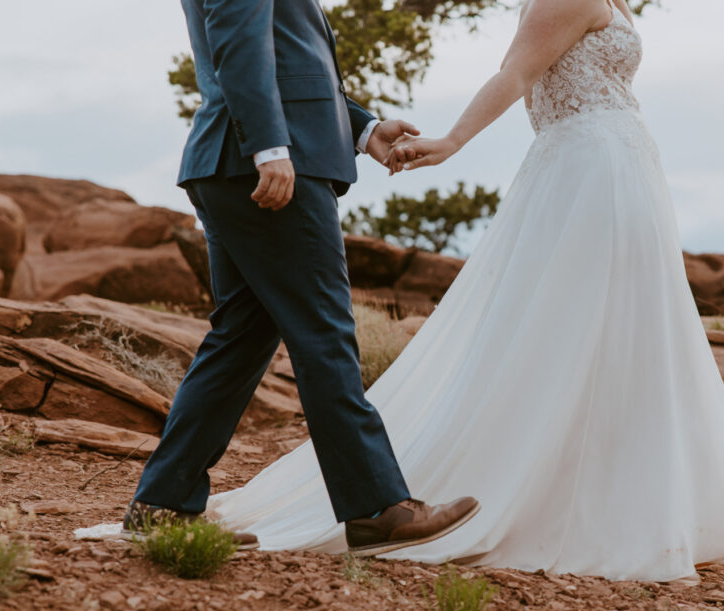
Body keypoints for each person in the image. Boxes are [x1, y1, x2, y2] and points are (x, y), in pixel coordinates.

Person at [199, 0, 724, 581]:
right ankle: (434, 505)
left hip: (625, 164)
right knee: (567, 330)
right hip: (589, 169)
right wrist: (451, 142)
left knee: (632, 332)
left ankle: (641, 500)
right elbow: (515, 75)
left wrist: (366, 128)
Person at [91, 0, 482, 556]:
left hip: (235, 161)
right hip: (263, 161)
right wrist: (269, 148)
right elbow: (237, 43)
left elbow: (288, 58)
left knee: (241, 338)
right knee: (324, 330)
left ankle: (164, 503)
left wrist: (364, 127)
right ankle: (376, 508)